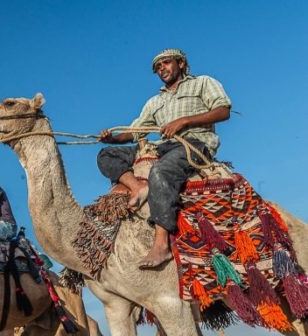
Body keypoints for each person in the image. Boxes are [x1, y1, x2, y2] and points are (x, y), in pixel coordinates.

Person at [96, 49, 231, 269]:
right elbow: (136, 130)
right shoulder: (154, 102)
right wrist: (112, 139)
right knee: (106, 155)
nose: (162, 69)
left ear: (181, 63)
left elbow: (223, 110)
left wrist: (184, 122)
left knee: (159, 171)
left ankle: (161, 245)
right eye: (158, 67)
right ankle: (137, 187)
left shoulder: (203, 83)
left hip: (194, 144)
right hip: (162, 147)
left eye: (166, 63)